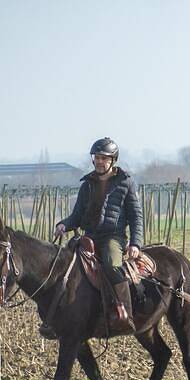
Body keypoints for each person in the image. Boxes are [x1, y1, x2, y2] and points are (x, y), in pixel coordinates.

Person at [53, 137, 143, 334]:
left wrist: (136, 243)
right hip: (89, 235)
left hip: (113, 237)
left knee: (111, 264)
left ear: (113, 160)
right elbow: (77, 215)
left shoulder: (125, 183)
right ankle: (63, 315)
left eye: (104, 158)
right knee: (66, 264)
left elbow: (136, 216)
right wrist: (64, 224)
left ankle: (124, 313)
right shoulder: (87, 185)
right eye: (97, 157)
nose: (100, 161)